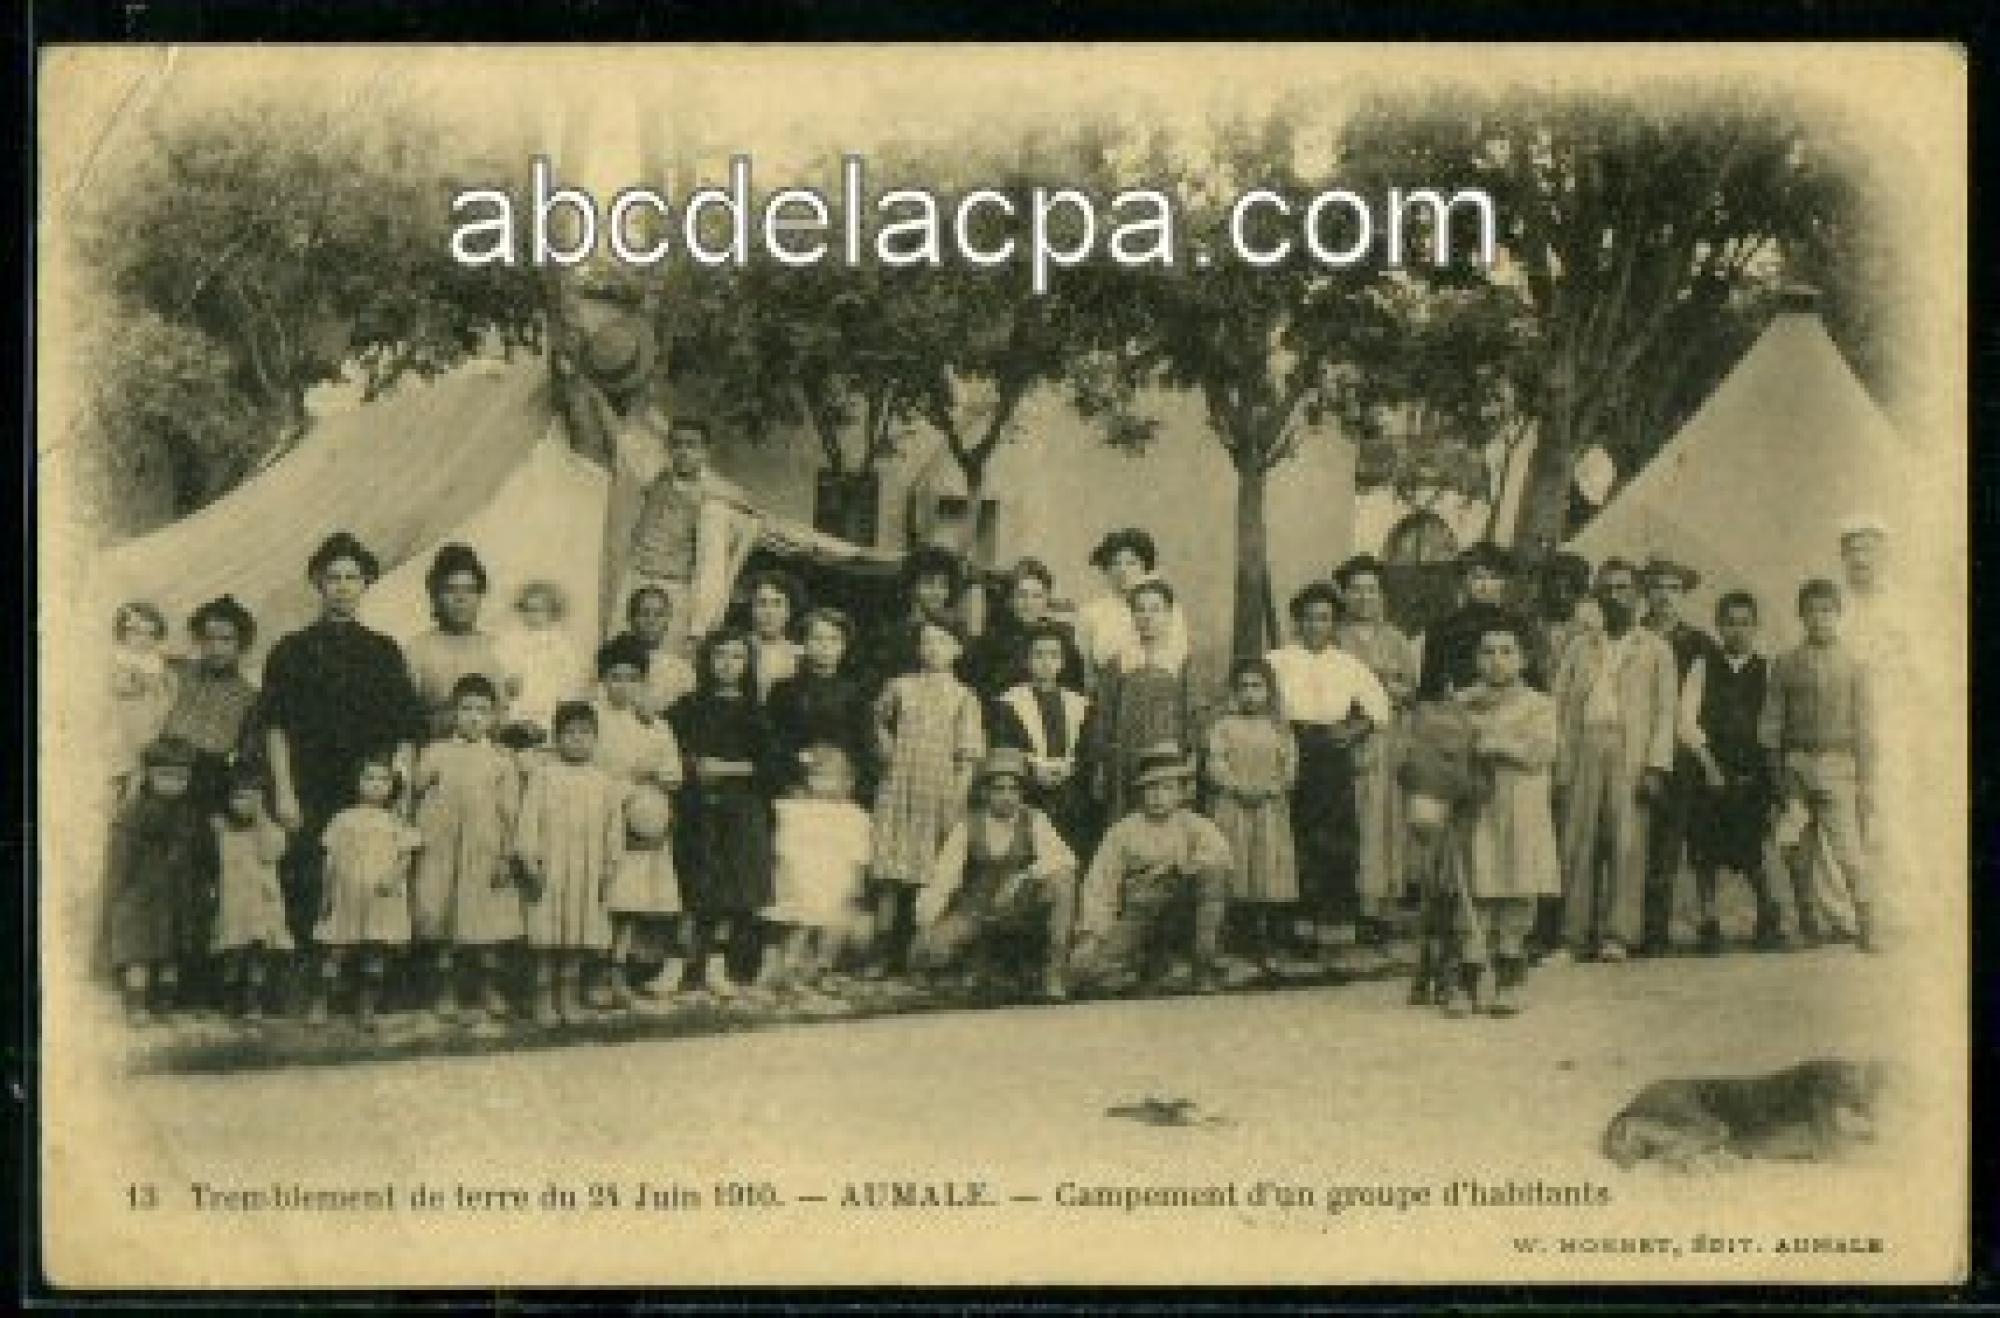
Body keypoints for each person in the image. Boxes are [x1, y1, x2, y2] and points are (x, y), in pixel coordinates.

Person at [260, 532, 425, 950]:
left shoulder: (384, 652)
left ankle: (358, 989)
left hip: (366, 790)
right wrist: (284, 793)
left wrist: (399, 797)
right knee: (311, 875)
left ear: (366, 583)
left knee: (365, 880)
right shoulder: (291, 650)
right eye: (333, 577)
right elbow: (275, 725)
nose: (343, 587)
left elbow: (404, 730)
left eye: (353, 577)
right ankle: (311, 981)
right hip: (309, 783)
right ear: (318, 583)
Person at [1550, 560, 1677, 962]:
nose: (1615, 596)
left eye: (1624, 588)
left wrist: (1656, 765)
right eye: (1606, 589)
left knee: (1627, 842)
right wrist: (1560, 759)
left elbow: (1666, 712)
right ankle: (1573, 936)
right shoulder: (1579, 646)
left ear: (1638, 597)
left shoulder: (1656, 648)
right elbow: (1559, 703)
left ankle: (1618, 935)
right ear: (1596, 596)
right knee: (1576, 840)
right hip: (1585, 743)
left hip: (1631, 750)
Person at [1267, 581, 1391, 950]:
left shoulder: (1349, 665)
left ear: (1334, 623)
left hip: (1333, 754)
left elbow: (1378, 708)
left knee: (1336, 838)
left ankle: (1335, 924)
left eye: (1324, 618)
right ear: (1297, 621)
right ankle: (1296, 923)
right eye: (1308, 618)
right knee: (1295, 834)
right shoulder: (1278, 660)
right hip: (1292, 747)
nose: (1316, 626)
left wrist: (1355, 730)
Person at [1760, 579, 1878, 953]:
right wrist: (1778, 776)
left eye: (1827, 610)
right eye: (1812, 610)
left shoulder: (1855, 665)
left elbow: (1865, 726)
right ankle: (1807, 922)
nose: (1820, 618)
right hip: (1796, 764)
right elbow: (1771, 724)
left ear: (1838, 614)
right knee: (1796, 847)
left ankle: (1866, 923)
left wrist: (1866, 780)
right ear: (1801, 615)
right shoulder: (1785, 664)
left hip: (1838, 764)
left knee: (1849, 850)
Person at [1451, 620, 1561, 1017]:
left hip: (1521, 802)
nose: (1497, 661)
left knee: (1517, 883)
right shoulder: (1462, 702)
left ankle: (1510, 974)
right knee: (1477, 881)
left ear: (1523, 659)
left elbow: (1542, 751)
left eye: (1507, 651)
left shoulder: (1539, 704)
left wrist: (1495, 743)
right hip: (1478, 804)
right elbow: (1446, 747)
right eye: (1487, 651)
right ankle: (1469, 971)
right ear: (1476, 659)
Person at [669, 629, 784, 998]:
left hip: (740, 806)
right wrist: (692, 766)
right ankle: (680, 961)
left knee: (732, 888)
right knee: (693, 883)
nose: (728, 664)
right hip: (696, 806)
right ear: (708, 660)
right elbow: (670, 748)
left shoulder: (757, 712)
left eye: (736, 657)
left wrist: (727, 768)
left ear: (747, 664)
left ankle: (716, 963)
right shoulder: (689, 705)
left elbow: (771, 767)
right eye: (720, 655)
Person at [912, 748, 1079, 1002]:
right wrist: (927, 922)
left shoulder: (1034, 819)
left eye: (1013, 789)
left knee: (1062, 879)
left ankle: (1053, 973)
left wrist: (1023, 876)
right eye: (998, 789)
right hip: (976, 909)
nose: (1007, 797)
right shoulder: (968, 825)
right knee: (930, 952)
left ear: (1022, 793)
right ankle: (978, 968)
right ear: (985, 793)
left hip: (1020, 906)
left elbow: (1065, 859)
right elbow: (943, 879)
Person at [868, 617, 984, 975]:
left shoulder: (963, 696)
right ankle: (884, 952)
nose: (934, 649)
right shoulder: (901, 687)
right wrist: (885, 745)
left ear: (957, 650)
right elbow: (877, 719)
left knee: (931, 873)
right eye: (927, 642)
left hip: (938, 792)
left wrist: (958, 797)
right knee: (893, 873)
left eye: (942, 642)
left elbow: (967, 753)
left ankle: (921, 953)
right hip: (900, 787)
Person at [1072, 743, 1235, 994]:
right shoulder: (1123, 831)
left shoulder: (1195, 825)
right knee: (1088, 971)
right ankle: (1149, 968)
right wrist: (1091, 935)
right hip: (1140, 912)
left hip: (1182, 913)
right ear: (1140, 793)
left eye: (1167, 788)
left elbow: (1220, 857)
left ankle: (1203, 967)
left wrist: (1178, 868)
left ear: (1181, 793)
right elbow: (1100, 885)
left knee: (1212, 877)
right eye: (1151, 788)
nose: (1158, 796)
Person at [409, 674, 524, 1022]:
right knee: (444, 921)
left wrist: (506, 856)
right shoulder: (437, 752)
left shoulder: (501, 760)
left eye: (482, 710)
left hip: (483, 852)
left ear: (494, 717)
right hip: (443, 851)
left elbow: (511, 813)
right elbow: (416, 790)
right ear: (453, 713)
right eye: (466, 709)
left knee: (486, 923)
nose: (474, 717)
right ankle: (447, 990)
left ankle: (487, 988)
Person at [1679, 591, 1783, 953]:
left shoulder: (1768, 669)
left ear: (1755, 627)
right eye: (1730, 623)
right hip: (1709, 768)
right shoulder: (1702, 666)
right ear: (1719, 626)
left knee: (1753, 848)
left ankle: (1768, 920)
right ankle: (1710, 923)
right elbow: (1686, 722)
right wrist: (1708, 764)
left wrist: (1768, 772)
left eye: (1745, 623)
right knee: (1705, 851)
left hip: (1752, 772)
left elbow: (1774, 723)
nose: (1737, 631)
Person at [514, 702, 626, 1024]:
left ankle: (568, 996)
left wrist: (609, 867)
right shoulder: (543, 777)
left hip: (587, 872)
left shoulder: (604, 782)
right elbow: (528, 823)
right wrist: (530, 863)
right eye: (570, 733)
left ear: (595, 738)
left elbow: (612, 829)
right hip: (552, 869)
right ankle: (543, 997)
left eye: (585, 733)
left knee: (578, 938)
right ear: (556, 737)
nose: (577, 740)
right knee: (547, 937)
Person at [604, 414, 754, 654]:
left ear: (705, 451)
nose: (683, 452)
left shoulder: (714, 497)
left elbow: (718, 556)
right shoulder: (653, 481)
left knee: (670, 655)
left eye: (691, 445)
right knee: (623, 649)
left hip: (676, 586)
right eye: (677, 444)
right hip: (638, 578)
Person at [592, 635, 685, 1006]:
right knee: (603, 899)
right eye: (615, 677)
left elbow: (673, 772)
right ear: (602, 679)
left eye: (632, 677)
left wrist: (655, 777)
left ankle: (618, 971)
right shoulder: (592, 719)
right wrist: (626, 783)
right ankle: (594, 973)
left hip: (645, 819)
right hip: (604, 819)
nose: (623, 685)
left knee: (630, 899)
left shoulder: (655, 725)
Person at [1334, 554, 1419, 939]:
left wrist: (1388, 689)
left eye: (1372, 590)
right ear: (1345, 594)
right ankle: (1355, 902)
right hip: (1352, 734)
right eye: (1356, 589)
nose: (1365, 597)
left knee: (1389, 815)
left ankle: (1386, 903)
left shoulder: (1397, 639)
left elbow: (1410, 688)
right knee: (1357, 813)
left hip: (1391, 737)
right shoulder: (1336, 638)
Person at [1639, 556, 1720, 954]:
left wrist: (1706, 752)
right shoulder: (1634, 637)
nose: (1665, 597)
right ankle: (1650, 929)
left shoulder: (1698, 642)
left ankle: (1707, 921)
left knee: (1692, 835)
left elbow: (1709, 704)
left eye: (1673, 589)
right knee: (1648, 839)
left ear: (1682, 595)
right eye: (1657, 588)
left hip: (1688, 751)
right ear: (1646, 593)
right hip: (1644, 750)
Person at [310, 752, 423, 1031]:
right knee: (336, 949)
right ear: (357, 782)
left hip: (380, 896)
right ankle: (321, 1002)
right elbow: (330, 860)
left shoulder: (396, 820)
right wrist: (326, 896)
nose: (376, 784)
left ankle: (367, 1007)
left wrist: (393, 877)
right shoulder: (343, 819)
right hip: (347, 896)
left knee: (375, 951)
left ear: (391, 785)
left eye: (383, 779)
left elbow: (406, 856)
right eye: (369, 777)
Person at [104, 735, 213, 1025]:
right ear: (149, 775)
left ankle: (164, 1005)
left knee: (171, 952)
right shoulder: (133, 813)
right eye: (165, 776)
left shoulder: (189, 813)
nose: (174, 783)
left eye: (181, 777)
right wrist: (119, 893)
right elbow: (121, 858)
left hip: (177, 893)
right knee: (138, 951)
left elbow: (202, 854)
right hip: (141, 893)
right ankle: (137, 1005)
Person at [1203, 658, 1299, 975]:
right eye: (1243, 687)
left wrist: (1270, 789)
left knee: (1267, 867)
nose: (1250, 694)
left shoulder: (1279, 728)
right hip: (1234, 806)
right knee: (1237, 865)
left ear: (1269, 691)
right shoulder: (1223, 726)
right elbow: (1215, 764)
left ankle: (1267, 937)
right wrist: (1237, 787)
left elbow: (1289, 769)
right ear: (1234, 691)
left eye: (1257, 686)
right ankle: (1236, 937)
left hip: (1269, 807)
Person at [1083, 578, 1199, 825]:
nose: (1147, 616)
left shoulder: (1182, 661)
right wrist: (1102, 764)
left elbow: (1194, 714)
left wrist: (1191, 758)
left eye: (1155, 609)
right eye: (1140, 609)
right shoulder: (1119, 661)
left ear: (1169, 614)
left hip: (1167, 758)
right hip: (1124, 760)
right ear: (1132, 616)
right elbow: (1104, 715)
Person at [763, 745, 875, 994]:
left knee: (834, 927)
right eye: (816, 776)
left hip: (837, 878)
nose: (823, 783)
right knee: (802, 924)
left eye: (832, 777)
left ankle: (822, 968)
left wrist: (857, 880)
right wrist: (788, 871)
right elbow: (786, 845)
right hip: (806, 877)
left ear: (849, 781)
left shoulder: (854, 815)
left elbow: (860, 852)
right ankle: (789, 969)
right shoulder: (797, 809)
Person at [990, 623, 1094, 849]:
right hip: (1028, 787)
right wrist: (1036, 768)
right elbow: (1005, 747)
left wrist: (1069, 768)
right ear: (1027, 660)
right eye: (1038, 655)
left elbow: (1086, 749)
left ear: (1063, 662)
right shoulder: (1009, 703)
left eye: (1053, 655)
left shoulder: (1079, 704)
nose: (1046, 663)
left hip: (1069, 787)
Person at [208, 759, 293, 1021]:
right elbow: (212, 863)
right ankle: (229, 1000)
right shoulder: (222, 830)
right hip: (232, 904)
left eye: (251, 798)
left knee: (258, 953)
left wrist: (261, 819)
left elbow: (270, 855)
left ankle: (253, 1001)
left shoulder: (271, 832)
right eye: (237, 797)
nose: (242, 804)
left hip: (261, 903)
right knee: (232, 952)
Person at [159, 594, 262, 810]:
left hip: (208, 786)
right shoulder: (176, 672)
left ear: (241, 644)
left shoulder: (249, 697)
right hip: (159, 773)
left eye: (226, 640)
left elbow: (247, 761)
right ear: (198, 640)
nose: (216, 648)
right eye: (208, 638)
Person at [403, 543, 513, 743]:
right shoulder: (417, 650)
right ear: (435, 596)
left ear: (480, 596)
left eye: (469, 590)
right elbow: (406, 723)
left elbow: (506, 719)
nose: (460, 599)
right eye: (450, 590)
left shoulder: (498, 649)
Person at [766, 607, 875, 797]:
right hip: (795, 782)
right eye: (817, 638)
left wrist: (847, 774)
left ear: (844, 646)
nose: (825, 646)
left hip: (842, 782)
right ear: (804, 644)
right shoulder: (784, 690)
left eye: (834, 639)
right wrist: (798, 764)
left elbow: (864, 744)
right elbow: (774, 742)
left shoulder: (856, 692)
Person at [1416, 542, 1543, 700]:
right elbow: (1429, 689)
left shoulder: (1518, 627)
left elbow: (1534, 683)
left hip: (1509, 714)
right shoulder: (1442, 629)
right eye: (1478, 577)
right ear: (1464, 581)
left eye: (1494, 578)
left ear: (1504, 582)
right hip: (1457, 714)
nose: (1485, 586)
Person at [1074, 528, 1190, 687]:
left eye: (1131, 563)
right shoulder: (1091, 613)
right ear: (1106, 569)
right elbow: (1086, 669)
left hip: (1160, 691)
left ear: (1144, 566)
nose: (1123, 570)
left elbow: (1179, 658)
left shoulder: (1167, 608)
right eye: (1115, 563)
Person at [961, 557, 1087, 699]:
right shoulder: (992, 640)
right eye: (1022, 595)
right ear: (1011, 598)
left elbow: (1075, 690)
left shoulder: (1062, 637)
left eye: (1037, 596)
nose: (1029, 603)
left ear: (1047, 598)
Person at [494, 580, 590, 750]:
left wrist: (562, 702)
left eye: (539, 610)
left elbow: (570, 679)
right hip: (520, 703)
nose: (533, 615)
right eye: (527, 610)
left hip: (550, 703)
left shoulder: (562, 643)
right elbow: (502, 669)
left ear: (552, 613)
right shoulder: (511, 640)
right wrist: (509, 682)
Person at [864, 546, 963, 692]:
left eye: (943, 585)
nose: (937, 592)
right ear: (911, 586)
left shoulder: (955, 632)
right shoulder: (891, 633)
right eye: (929, 584)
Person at [110, 601, 177, 799]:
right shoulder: (120, 659)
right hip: (125, 718)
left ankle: (133, 799)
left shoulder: (155, 661)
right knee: (121, 761)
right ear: (123, 634)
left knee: (142, 763)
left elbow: (166, 690)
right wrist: (139, 682)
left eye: (150, 634)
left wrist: (162, 686)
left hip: (149, 717)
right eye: (136, 633)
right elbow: (119, 688)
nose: (144, 640)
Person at [617, 585, 700, 720]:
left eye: (659, 614)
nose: (651, 620)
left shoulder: (682, 672)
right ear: (631, 618)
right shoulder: (613, 663)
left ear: (667, 621)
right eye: (644, 613)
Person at [744, 568, 803, 702]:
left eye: (777, 603)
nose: (769, 612)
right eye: (762, 603)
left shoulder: (800, 655)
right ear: (751, 609)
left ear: (789, 611)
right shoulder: (738, 647)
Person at [1538, 551, 1596, 676]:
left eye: (1569, 590)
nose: (1561, 596)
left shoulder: (1589, 630)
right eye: (1555, 590)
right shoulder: (1536, 628)